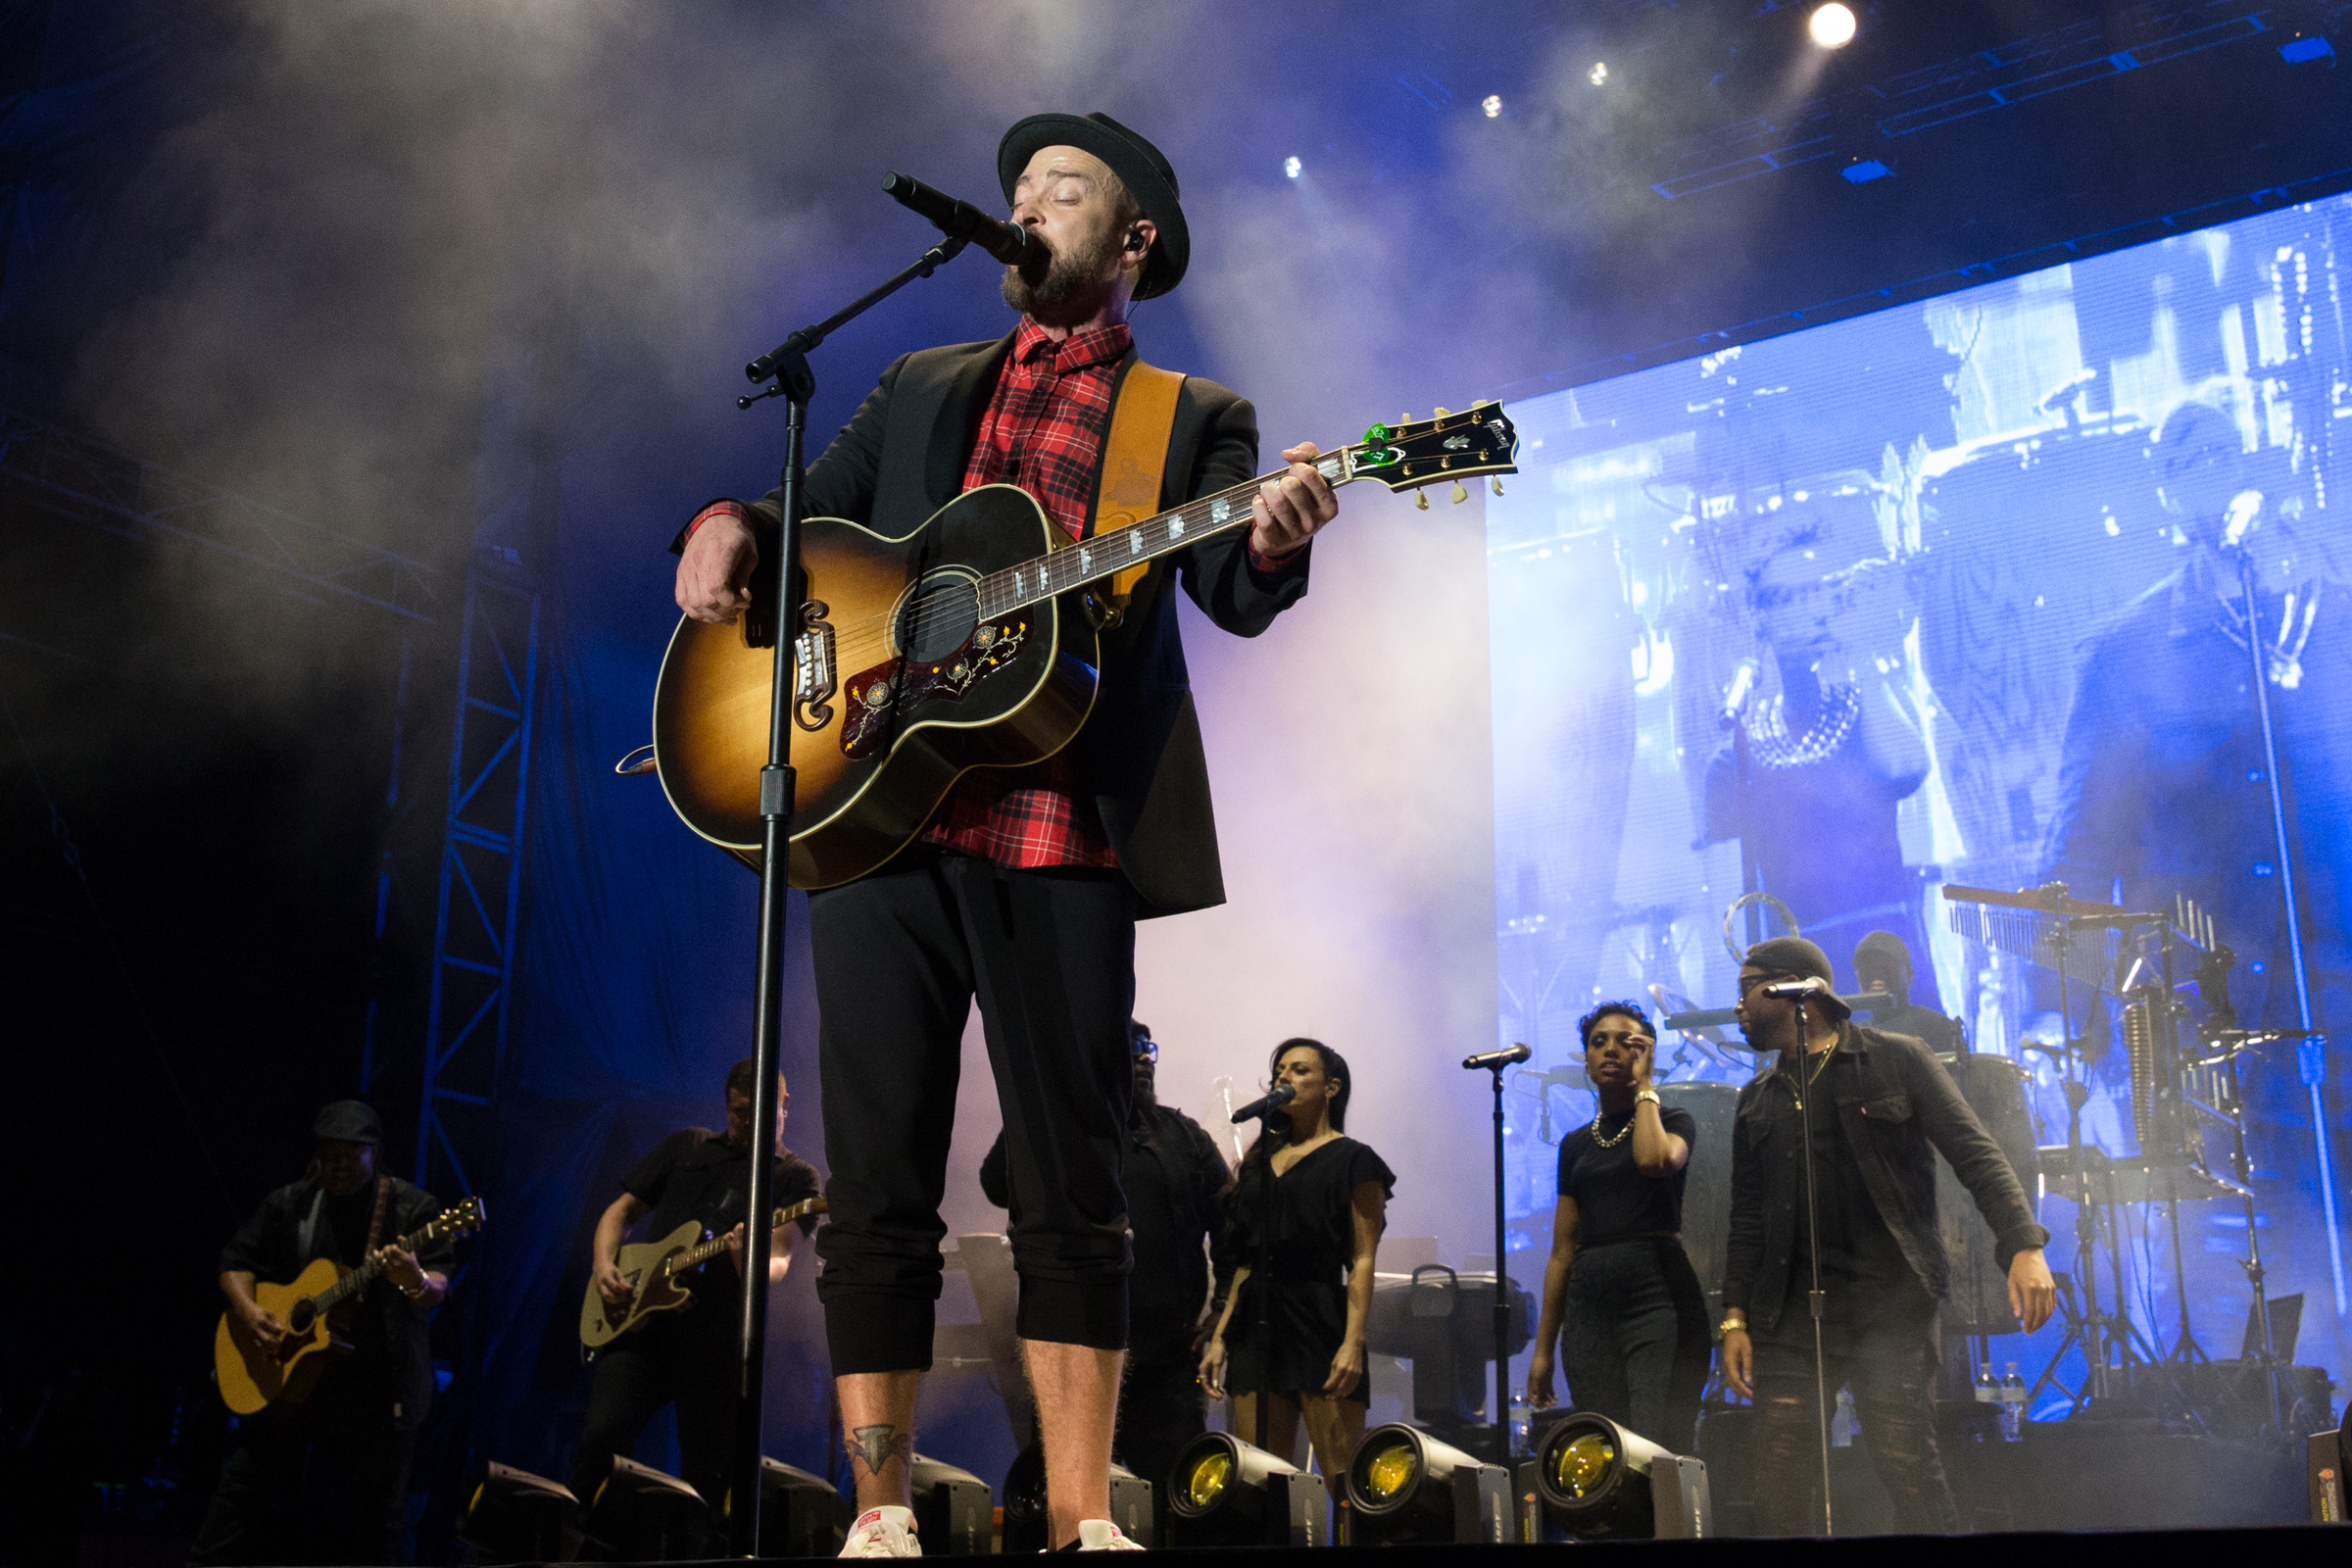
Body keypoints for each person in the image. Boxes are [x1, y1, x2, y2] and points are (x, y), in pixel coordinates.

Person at [669, 111, 1339, 1556]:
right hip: (880, 817)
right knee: (880, 1180)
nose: (1025, 203)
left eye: (1062, 188)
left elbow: (1230, 585)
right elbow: (810, 516)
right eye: (1018, 187)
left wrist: (1276, 536)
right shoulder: (919, 383)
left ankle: (1087, 1515)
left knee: (1072, 1186)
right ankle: (882, 1514)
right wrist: (726, 517)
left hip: (1064, 827)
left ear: (1133, 239)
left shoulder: (1190, 416)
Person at [1719, 937, 2055, 1535]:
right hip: (1790, 1314)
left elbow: (1977, 1155)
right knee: (1780, 1486)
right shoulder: (1757, 1101)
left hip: (1890, 1301)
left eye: (1746, 987)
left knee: (1910, 1474)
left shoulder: (1899, 1058)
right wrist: (1735, 1318)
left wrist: (2023, 1245)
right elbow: (1746, 1220)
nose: (1738, 1005)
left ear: (1798, 989)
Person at [2042, 399, 2352, 1035]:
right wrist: (2062, 1010)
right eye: (2189, 462)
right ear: (2167, 495)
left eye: (2225, 454)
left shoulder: (2328, 619)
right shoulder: (2125, 653)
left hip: (2335, 983)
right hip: (2213, 1010)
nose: (2213, 472)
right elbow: (2086, 841)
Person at [979, 1021, 1229, 1515]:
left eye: (1146, 1049)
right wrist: (1043, 1098)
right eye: (1128, 1049)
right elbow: (994, 1183)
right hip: (1078, 1355)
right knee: (1074, 1502)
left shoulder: (1183, 1136)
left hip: (1166, 1362)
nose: (1143, 1060)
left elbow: (1231, 1224)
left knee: (1176, 1500)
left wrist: (1221, 1312)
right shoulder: (1060, 1127)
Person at [192, 1101, 454, 1566]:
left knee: (373, 1522)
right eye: (330, 1153)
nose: (339, 1164)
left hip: (376, 1386)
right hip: (295, 1377)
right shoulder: (292, 1202)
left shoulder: (413, 1209)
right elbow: (235, 1264)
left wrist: (414, 1278)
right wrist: (252, 1315)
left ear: (374, 1154)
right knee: (242, 1489)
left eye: (352, 1154)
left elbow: (437, 1287)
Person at [1702, 521, 1940, 1005]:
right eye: (1782, 598)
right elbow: (1724, 886)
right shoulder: (1738, 754)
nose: (1801, 611)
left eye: (1816, 592)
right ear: (1760, 619)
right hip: (1797, 967)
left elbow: (1905, 767)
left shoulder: (1872, 710)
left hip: (1886, 957)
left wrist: (1862, 652)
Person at [571, 1060, 821, 1519]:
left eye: (759, 1111)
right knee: (601, 1439)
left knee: (705, 1481)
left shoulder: (796, 1179)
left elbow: (778, 1264)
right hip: (641, 1328)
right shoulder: (689, 1145)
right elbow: (620, 1211)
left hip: (718, 1347)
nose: (747, 1123)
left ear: (785, 1105)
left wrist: (742, 1255)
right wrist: (604, 1263)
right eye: (738, 1113)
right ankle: (578, 1541)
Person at [1199, 1040, 1392, 1500]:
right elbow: (1247, 1260)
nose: (1284, 1077)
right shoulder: (1258, 1163)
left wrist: (1353, 1342)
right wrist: (1221, 1336)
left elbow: (1363, 1258)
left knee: (1344, 1481)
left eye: (1299, 1070)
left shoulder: (1354, 1160)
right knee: (1262, 1483)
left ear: (1331, 1086)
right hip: (1257, 1323)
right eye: (1279, 1070)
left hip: (1319, 1318)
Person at [1526, 1002, 1710, 1453]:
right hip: (1589, 1306)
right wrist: (1543, 1351)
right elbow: (1561, 1251)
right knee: (1606, 1446)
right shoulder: (1574, 1145)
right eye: (1598, 1042)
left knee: (1657, 1445)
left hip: (1658, 1297)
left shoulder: (1673, 1120)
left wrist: (1646, 1086)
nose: (1611, 1050)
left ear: (1645, 1052)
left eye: (1626, 1043)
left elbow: (1656, 1160)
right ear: (1586, 1060)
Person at [1851, 930, 1965, 1053]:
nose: (1876, 980)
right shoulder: (1854, 1036)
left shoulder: (1933, 1025)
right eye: (1867, 972)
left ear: (1909, 975)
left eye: (1886, 969)